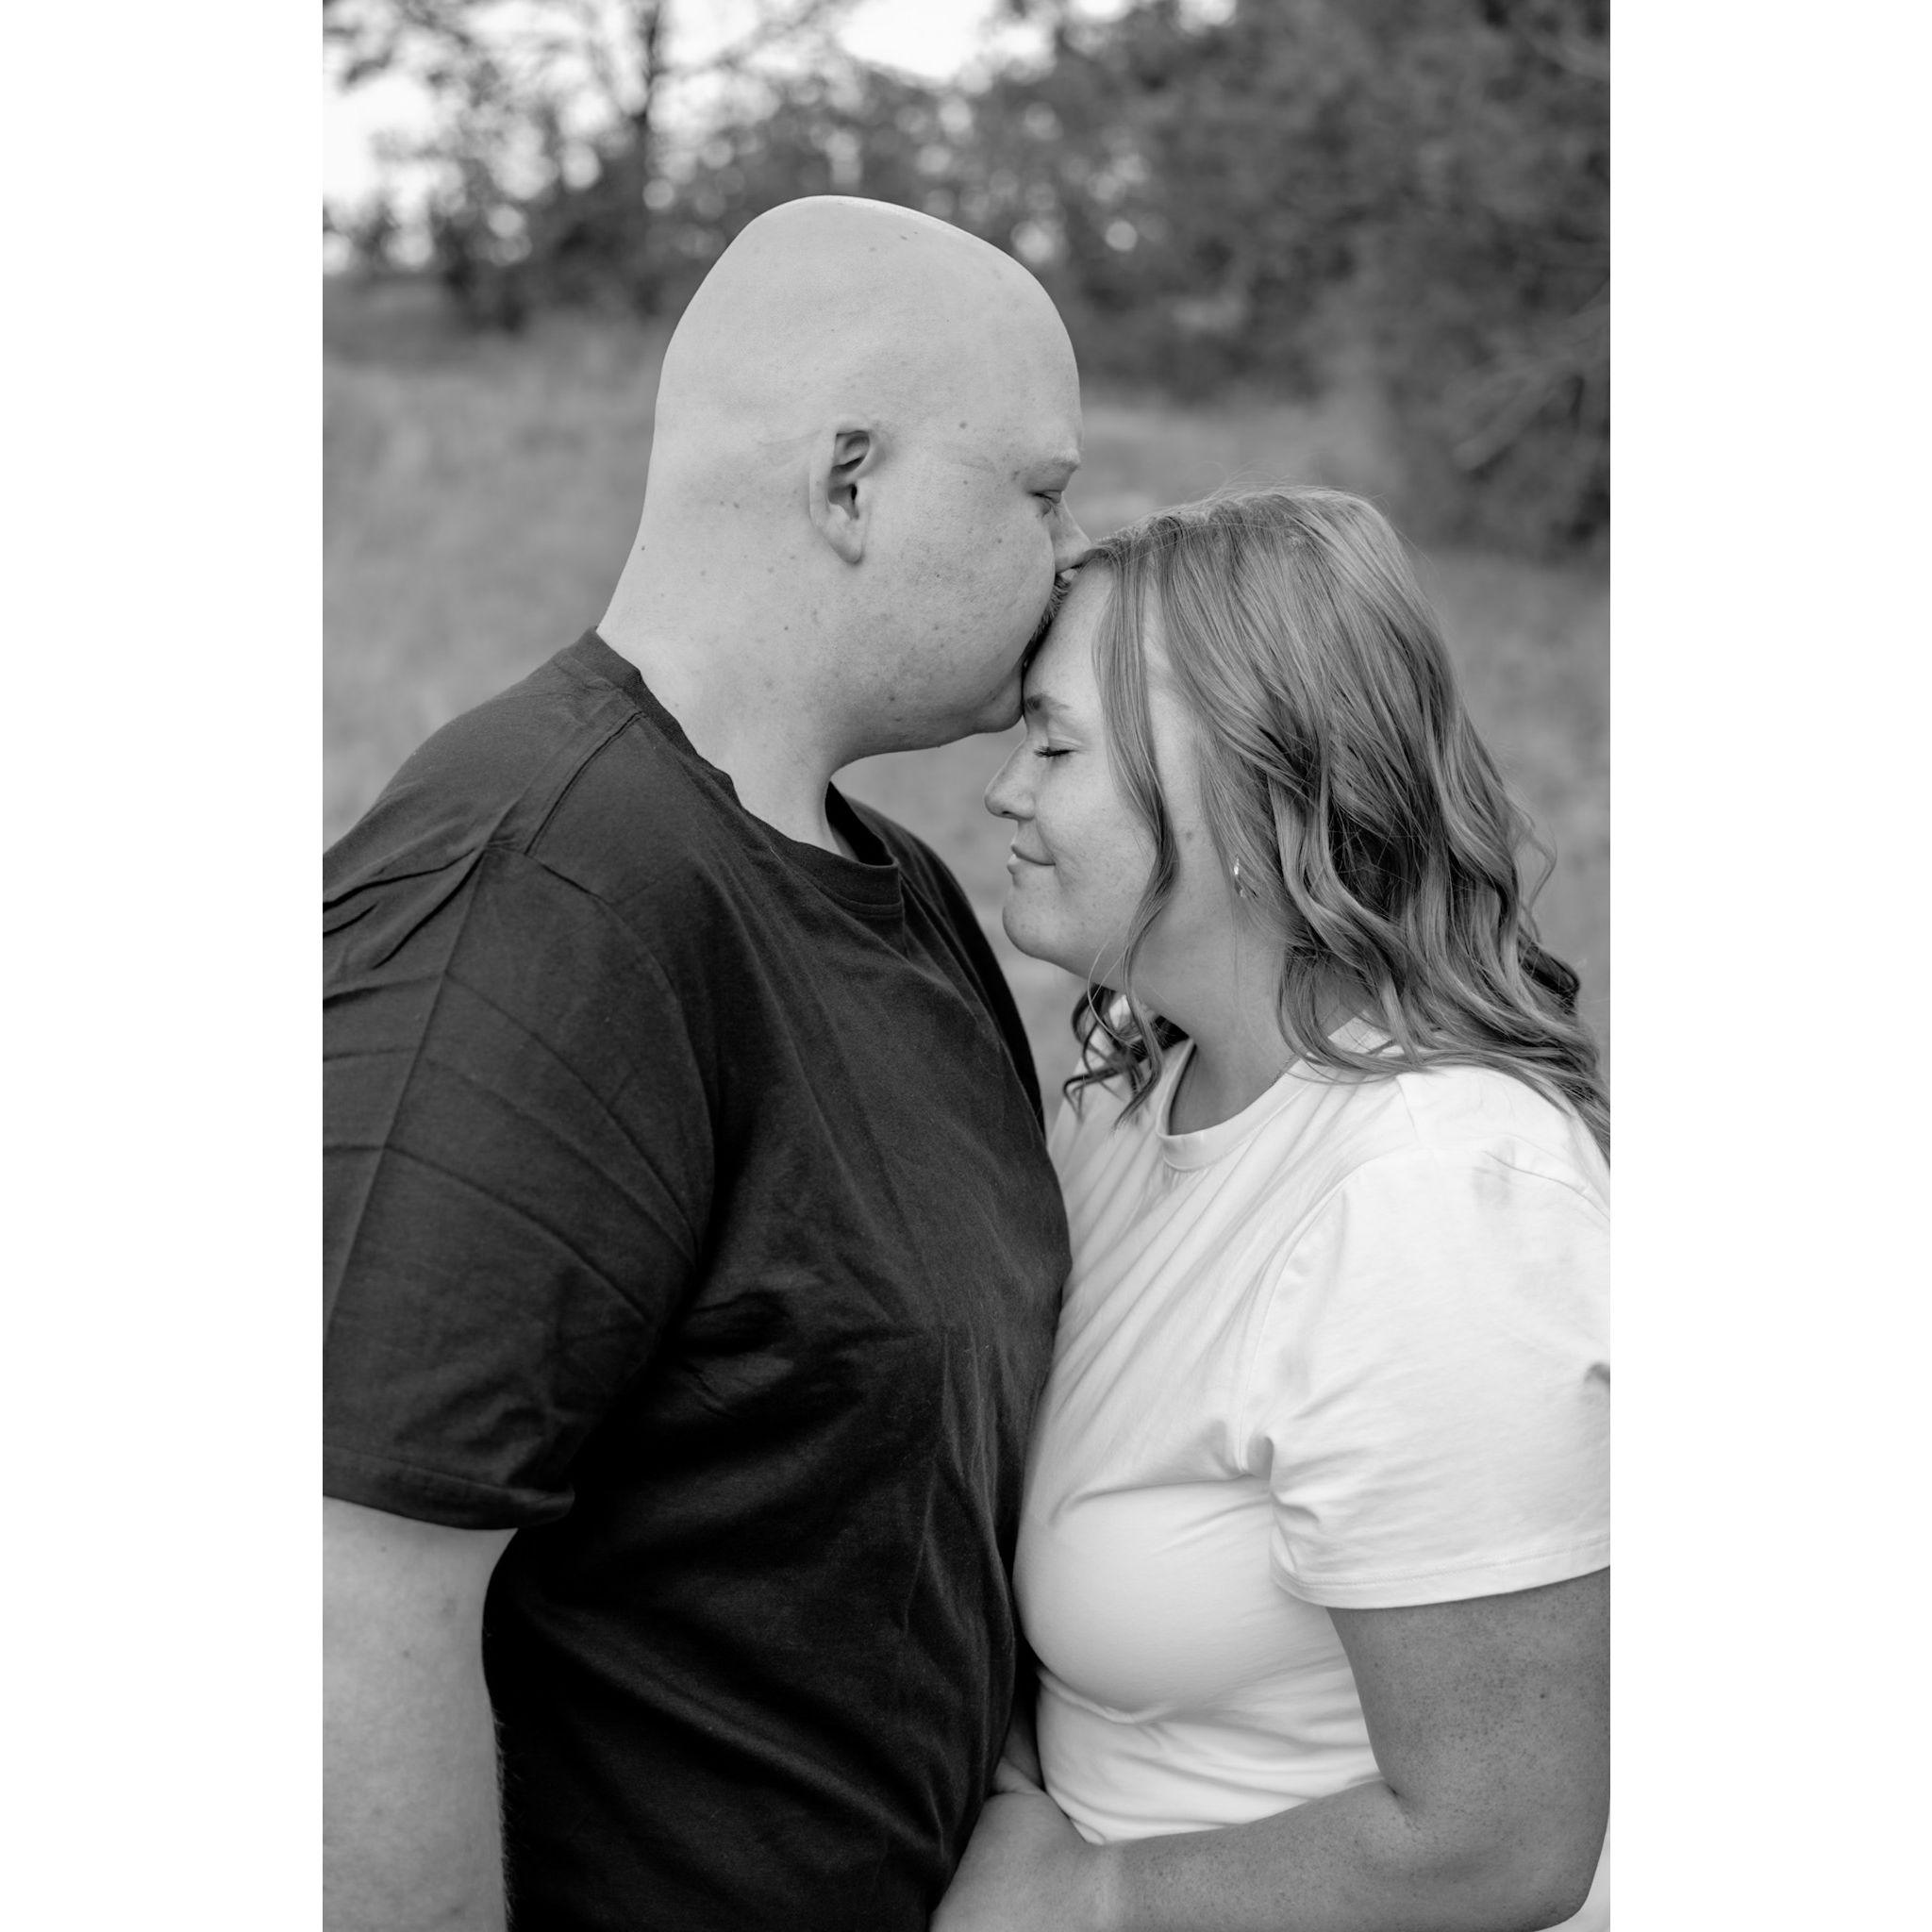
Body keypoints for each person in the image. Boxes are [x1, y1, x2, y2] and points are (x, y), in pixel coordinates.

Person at [323, 195, 1091, 1932]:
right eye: (1039, 494)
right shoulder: (539, 894)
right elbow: (344, 1593)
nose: (1073, 554)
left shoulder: (903, 894)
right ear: (848, 484)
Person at [939, 485, 1609, 1931]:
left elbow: (1502, 1839)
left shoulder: (1434, 1203)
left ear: (1248, 791)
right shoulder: (1122, 1114)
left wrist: (1090, 1900)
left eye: (1056, 744)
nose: (1006, 790)